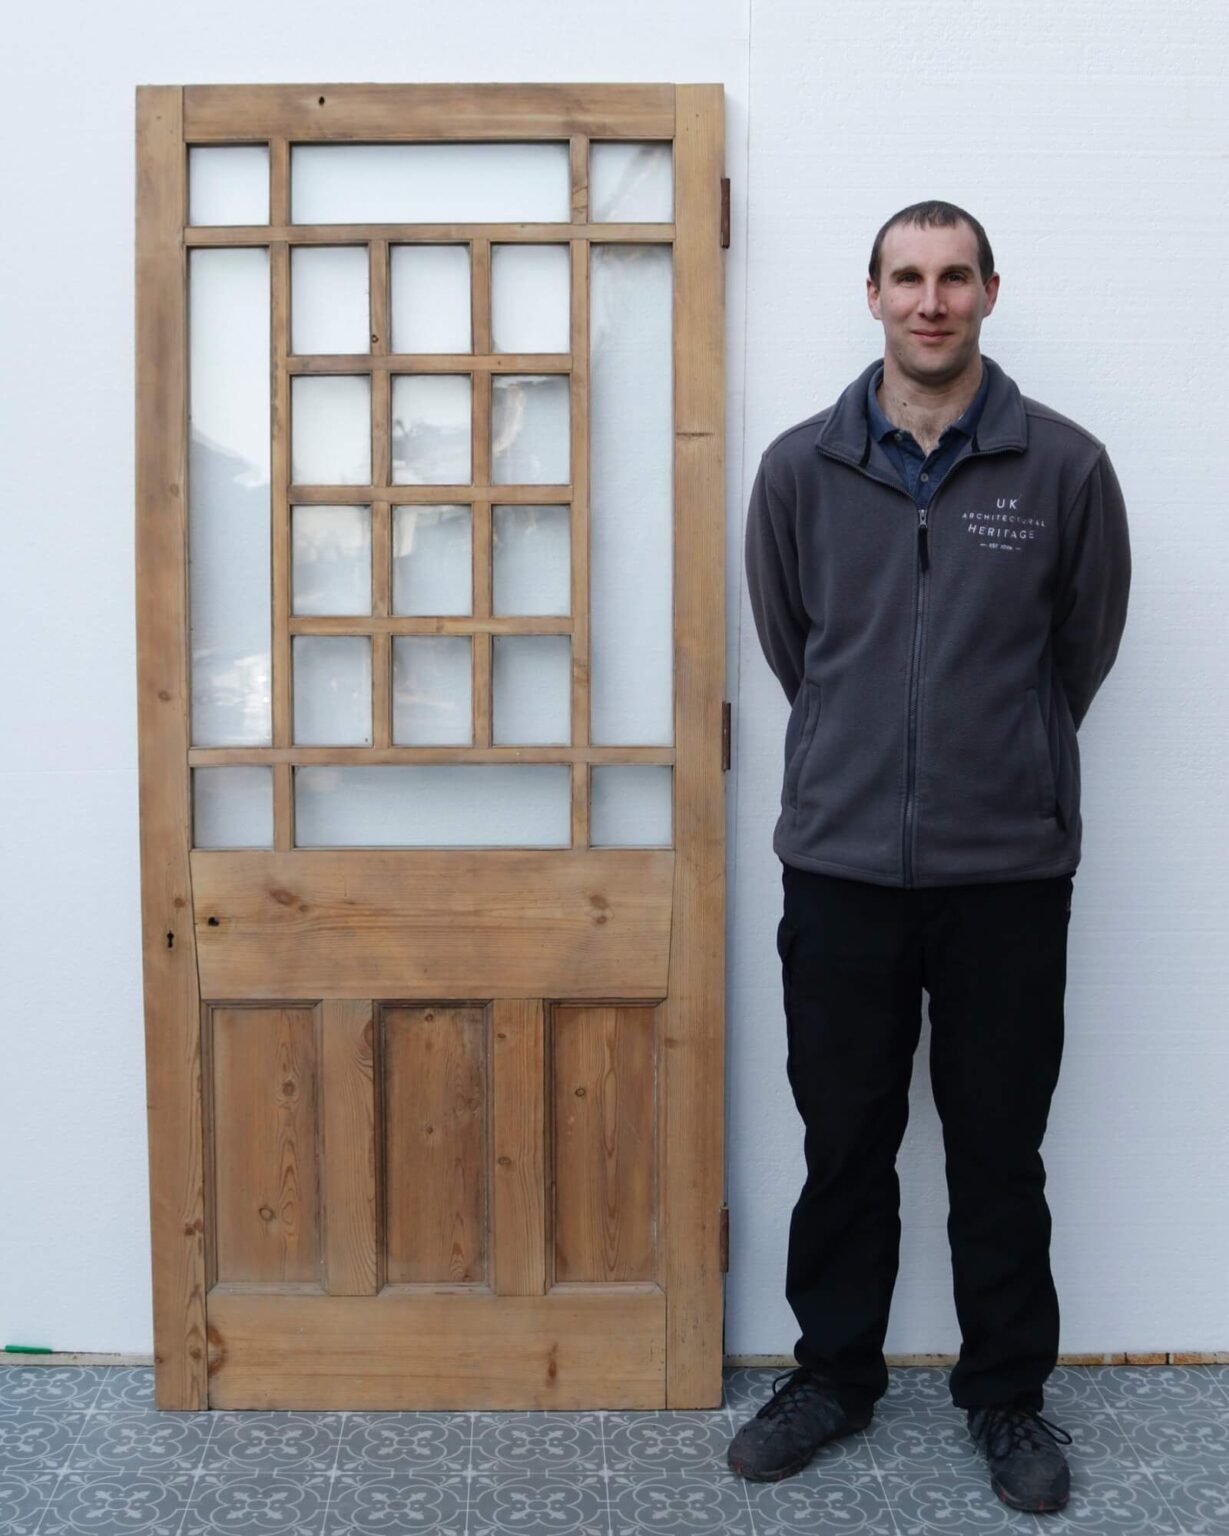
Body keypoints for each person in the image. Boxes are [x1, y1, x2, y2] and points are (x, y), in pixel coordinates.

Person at [730, 201, 1131, 1515]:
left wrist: (992, 753)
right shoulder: (798, 469)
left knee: (997, 1149)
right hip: (838, 867)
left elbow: (1076, 653)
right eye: (906, 276)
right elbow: (797, 648)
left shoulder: (1060, 469)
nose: (930, 300)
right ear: (871, 295)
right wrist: (863, 755)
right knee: (841, 1139)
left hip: (1004, 873)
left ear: (988, 293)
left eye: (953, 277)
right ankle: (832, 1378)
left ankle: (1006, 1397)